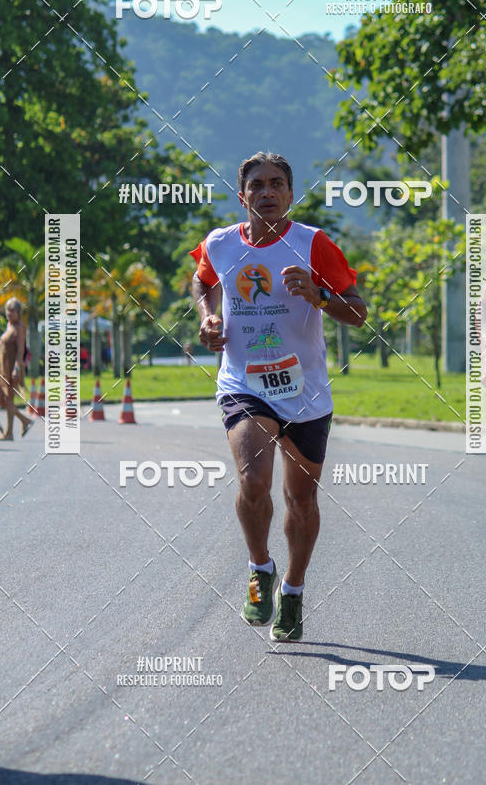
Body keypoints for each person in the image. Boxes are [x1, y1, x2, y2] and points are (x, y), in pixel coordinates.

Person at [190, 151, 367, 641]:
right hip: (244, 384)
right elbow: (202, 280)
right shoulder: (221, 243)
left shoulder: (313, 244)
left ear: (290, 194)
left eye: (276, 184)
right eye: (257, 185)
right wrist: (208, 317)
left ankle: (292, 590)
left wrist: (319, 296)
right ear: (241, 195)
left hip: (304, 390)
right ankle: (259, 567)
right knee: (253, 481)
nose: (266, 192)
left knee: (301, 499)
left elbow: (358, 312)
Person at [0, 297, 33, 440]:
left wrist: (17, 368)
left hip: (12, 368)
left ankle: (9, 433)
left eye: (12, 310)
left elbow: (20, 350)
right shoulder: (9, 325)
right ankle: (24, 420)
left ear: (18, 312)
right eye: (7, 310)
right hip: (3, 369)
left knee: (8, 399)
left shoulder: (19, 327)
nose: (9, 313)